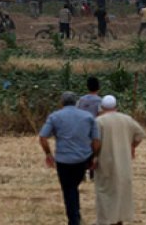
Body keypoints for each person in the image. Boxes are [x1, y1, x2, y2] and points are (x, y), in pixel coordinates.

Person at [38, 92, 101, 225]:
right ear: (76, 102)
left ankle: (73, 220)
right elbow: (96, 140)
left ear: (61, 102)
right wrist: (95, 156)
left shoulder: (54, 116)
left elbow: (43, 137)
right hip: (82, 159)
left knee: (68, 189)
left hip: (63, 160)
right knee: (73, 187)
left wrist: (48, 154)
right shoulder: (88, 117)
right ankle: (76, 215)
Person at [94, 95, 146, 225]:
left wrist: (94, 156)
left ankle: (106, 221)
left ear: (102, 107)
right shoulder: (127, 119)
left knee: (105, 192)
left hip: (105, 162)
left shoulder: (99, 121)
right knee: (121, 191)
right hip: (124, 162)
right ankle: (119, 220)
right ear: (116, 106)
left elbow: (96, 142)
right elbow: (140, 135)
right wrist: (132, 146)